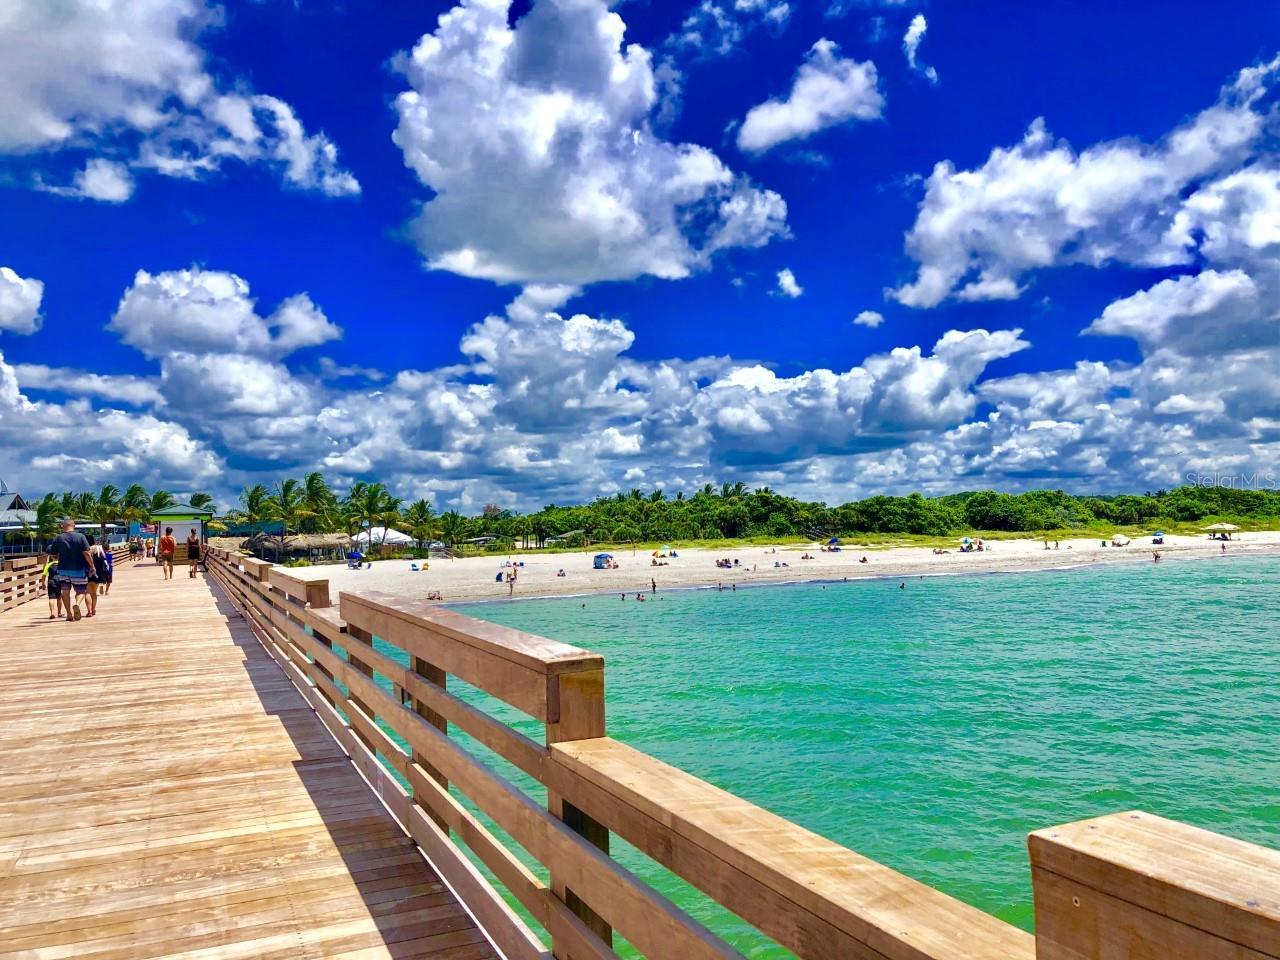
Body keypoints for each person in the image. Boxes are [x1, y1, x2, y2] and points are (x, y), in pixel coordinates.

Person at [51, 518, 94, 621]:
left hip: (63, 569)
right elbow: (86, 553)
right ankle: (77, 604)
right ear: (74, 525)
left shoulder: (58, 538)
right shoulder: (80, 537)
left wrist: (59, 557)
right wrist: (92, 566)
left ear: (63, 526)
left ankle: (69, 614)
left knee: (65, 591)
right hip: (78, 569)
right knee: (81, 591)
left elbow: (53, 555)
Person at [86, 534, 106, 616]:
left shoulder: (86, 549)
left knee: (87, 592)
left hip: (87, 573)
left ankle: (89, 611)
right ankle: (93, 609)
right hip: (98, 574)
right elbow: (104, 561)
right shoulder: (99, 548)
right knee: (94, 593)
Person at [40, 553, 61, 619]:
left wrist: (43, 583)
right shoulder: (61, 564)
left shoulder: (48, 564)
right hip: (60, 582)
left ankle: (52, 613)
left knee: (51, 598)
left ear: (51, 557)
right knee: (59, 597)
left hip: (51, 582)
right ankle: (59, 613)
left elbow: (44, 575)